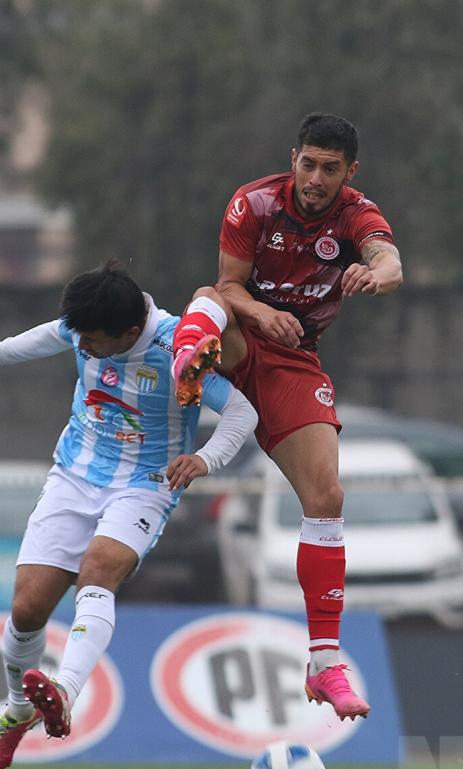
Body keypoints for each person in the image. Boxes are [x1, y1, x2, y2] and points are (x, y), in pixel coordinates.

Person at [0, 261, 256, 769]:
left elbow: (241, 413)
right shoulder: (91, 322)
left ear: (130, 333)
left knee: (98, 571)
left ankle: (64, 692)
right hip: (74, 475)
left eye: (92, 341)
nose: (81, 347)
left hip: (145, 485)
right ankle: (19, 709)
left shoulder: (179, 347)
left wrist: (204, 459)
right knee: (26, 610)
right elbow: (51, 335)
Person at [172, 113, 403, 721]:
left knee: (326, 496)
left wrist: (373, 277)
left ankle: (324, 665)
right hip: (242, 337)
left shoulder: (355, 214)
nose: (316, 178)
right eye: (309, 164)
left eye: (331, 169)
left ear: (349, 172)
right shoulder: (254, 205)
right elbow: (230, 285)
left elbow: (391, 263)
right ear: (293, 157)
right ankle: (187, 363)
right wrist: (260, 312)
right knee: (207, 298)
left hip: (292, 363)